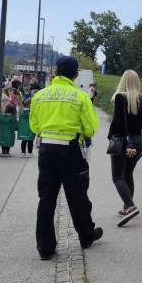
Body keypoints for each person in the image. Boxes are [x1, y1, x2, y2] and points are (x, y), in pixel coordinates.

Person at [30, 56, 102, 260]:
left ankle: (45, 248)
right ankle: (86, 236)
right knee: (77, 196)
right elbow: (90, 128)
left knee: (46, 199)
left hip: (46, 149)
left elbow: (34, 126)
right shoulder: (80, 97)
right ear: (76, 74)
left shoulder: (40, 96)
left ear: (55, 72)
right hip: (70, 150)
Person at [107, 70, 142, 227]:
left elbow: (117, 123)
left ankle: (131, 205)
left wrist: (110, 137)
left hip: (122, 140)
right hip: (137, 140)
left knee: (117, 177)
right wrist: (136, 126)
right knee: (128, 173)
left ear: (123, 81)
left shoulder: (120, 97)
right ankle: (127, 206)